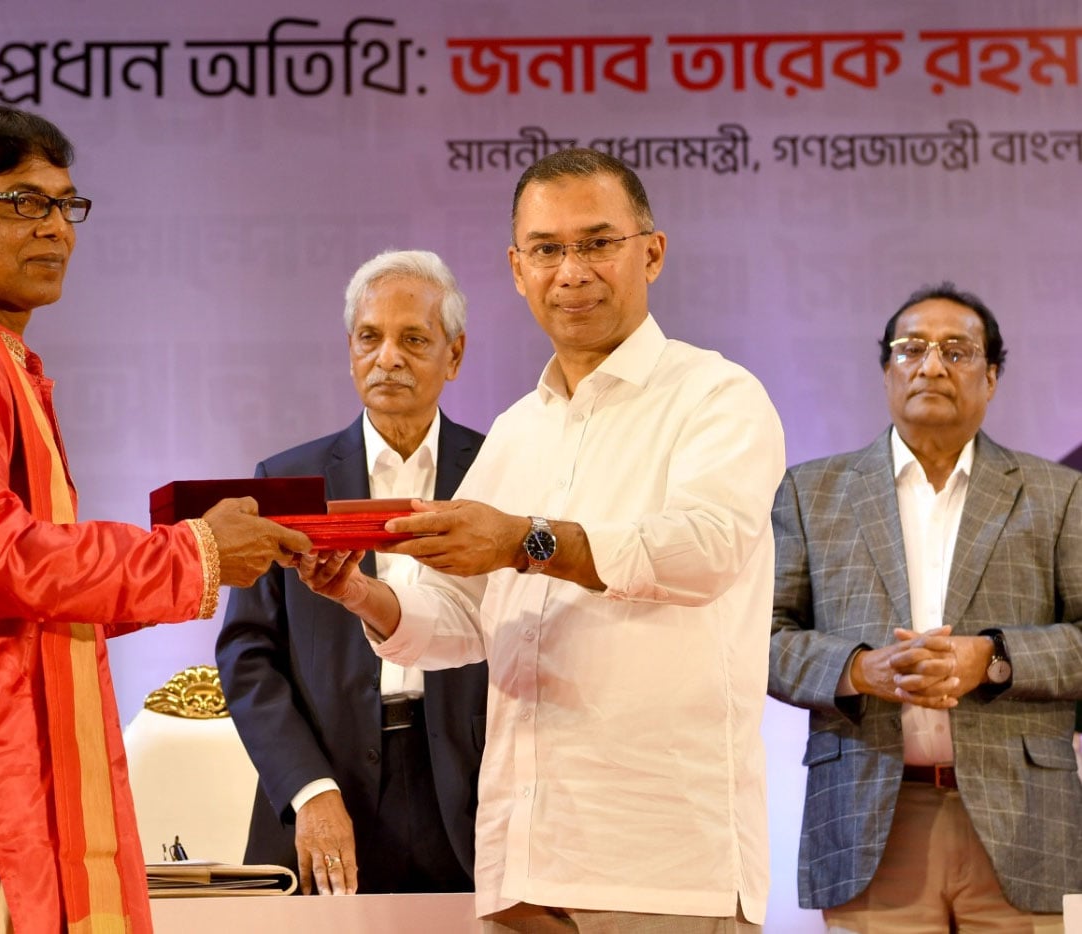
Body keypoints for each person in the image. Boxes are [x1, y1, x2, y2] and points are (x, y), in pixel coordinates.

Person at [0, 104, 309, 933]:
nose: (54, 227)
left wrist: (203, 555)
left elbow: (21, 592)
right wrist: (190, 556)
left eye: (64, 204)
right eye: (22, 202)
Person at [298, 149, 785, 931]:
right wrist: (361, 593)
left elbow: (702, 551)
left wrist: (527, 540)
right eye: (547, 250)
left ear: (652, 253)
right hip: (521, 864)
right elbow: (462, 616)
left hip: (662, 867)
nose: (572, 272)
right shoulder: (518, 430)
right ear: (517, 270)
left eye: (598, 244)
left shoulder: (717, 397)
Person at [768, 283, 1082, 931]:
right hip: (870, 819)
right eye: (910, 349)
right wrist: (859, 671)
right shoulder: (811, 492)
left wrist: (993, 659)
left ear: (991, 377)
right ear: (887, 370)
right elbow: (759, 639)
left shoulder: (1060, 495)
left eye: (956, 351)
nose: (931, 366)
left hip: (1026, 820)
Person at [216, 249, 488, 896]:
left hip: (472, 800)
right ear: (349, 351)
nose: (387, 358)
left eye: (413, 339)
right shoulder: (287, 483)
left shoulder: (497, 471)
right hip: (327, 789)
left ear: (454, 355)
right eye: (370, 337)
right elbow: (248, 654)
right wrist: (309, 789)